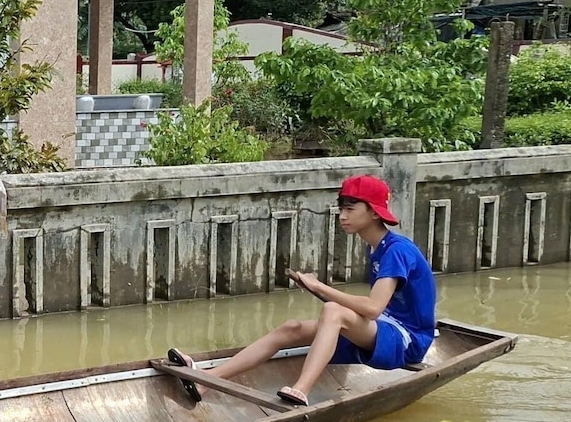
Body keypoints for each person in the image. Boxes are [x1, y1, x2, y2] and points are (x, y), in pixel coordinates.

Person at [167, 174, 436, 407]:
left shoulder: (396, 250)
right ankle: (207, 380)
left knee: (333, 312)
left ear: (374, 212)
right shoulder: (376, 247)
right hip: (384, 327)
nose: (342, 216)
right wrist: (315, 289)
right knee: (291, 328)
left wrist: (321, 287)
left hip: (408, 339)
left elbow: (373, 308)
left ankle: (301, 390)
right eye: (341, 208)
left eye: (351, 209)